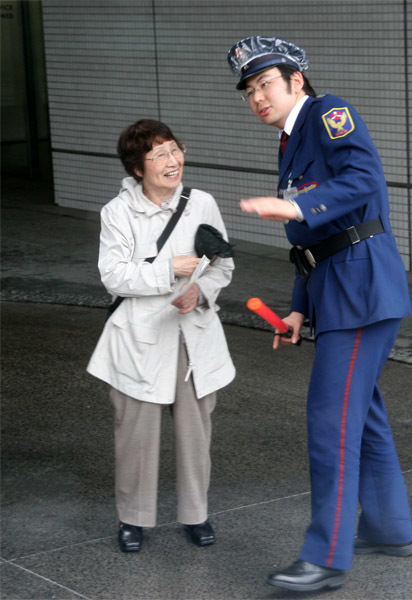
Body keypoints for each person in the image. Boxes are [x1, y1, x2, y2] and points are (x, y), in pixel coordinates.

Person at [227, 36, 412, 592]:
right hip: (338, 290)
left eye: (265, 83)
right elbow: (315, 242)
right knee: (364, 414)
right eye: (248, 90)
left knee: (329, 422)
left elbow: (364, 183)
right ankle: (388, 528)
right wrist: (296, 309)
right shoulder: (291, 141)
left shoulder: (330, 114)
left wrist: (293, 204)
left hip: (361, 292)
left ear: (296, 82)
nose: (256, 96)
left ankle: (326, 556)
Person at [87, 119, 235, 553]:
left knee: (196, 435)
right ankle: (132, 519)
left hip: (193, 336)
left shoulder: (201, 203)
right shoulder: (117, 213)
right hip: (138, 337)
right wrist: (170, 270)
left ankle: (196, 514)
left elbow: (223, 263)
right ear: (138, 168)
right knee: (135, 436)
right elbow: (113, 276)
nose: (173, 162)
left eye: (175, 150)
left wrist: (200, 291)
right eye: (160, 155)